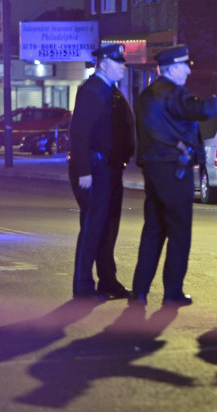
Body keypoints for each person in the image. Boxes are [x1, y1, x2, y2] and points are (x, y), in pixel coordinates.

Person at [129, 45, 217, 307]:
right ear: (173, 68)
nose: (188, 71)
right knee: (179, 232)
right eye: (185, 66)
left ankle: (139, 292)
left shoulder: (147, 95)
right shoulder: (173, 94)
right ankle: (172, 292)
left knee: (153, 231)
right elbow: (203, 109)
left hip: (153, 171)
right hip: (175, 171)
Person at [68, 43, 135, 300]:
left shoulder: (110, 90)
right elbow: (79, 133)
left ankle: (108, 281)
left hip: (110, 168)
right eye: (119, 62)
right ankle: (83, 285)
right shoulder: (92, 91)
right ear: (104, 63)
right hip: (95, 169)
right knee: (92, 228)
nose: (123, 66)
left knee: (108, 228)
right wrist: (84, 170)